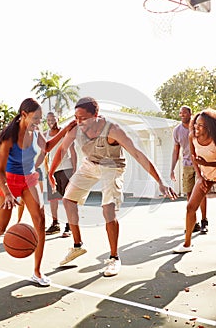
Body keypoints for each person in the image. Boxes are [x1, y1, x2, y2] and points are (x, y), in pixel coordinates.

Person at [49, 97, 177, 277]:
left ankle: (114, 258)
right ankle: (77, 246)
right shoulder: (76, 129)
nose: (79, 122)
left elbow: (138, 154)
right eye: (76, 117)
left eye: (83, 118)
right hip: (90, 164)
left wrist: (160, 181)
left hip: (113, 166)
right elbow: (61, 150)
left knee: (108, 208)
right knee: (68, 200)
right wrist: (50, 172)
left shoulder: (113, 130)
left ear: (96, 115)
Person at [0, 98, 76, 286]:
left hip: (30, 179)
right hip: (9, 181)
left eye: (40, 119)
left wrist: (66, 129)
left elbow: (47, 147)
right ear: (24, 115)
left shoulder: (36, 131)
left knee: (40, 223)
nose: (38, 122)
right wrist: (8, 193)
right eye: (35, 118)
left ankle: (37, 271)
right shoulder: (9, 137)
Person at [173, 108, 216, 253]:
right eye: (196, 124)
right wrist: (200, 175)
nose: (197, 127)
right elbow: (193, 158)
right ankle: (187, 244)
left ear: (209, 126)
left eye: (201, 125)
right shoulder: (192, 136)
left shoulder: (215, 138)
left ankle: (205, 221)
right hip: (205, 176)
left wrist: (207, 164)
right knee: (190, 207)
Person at [170, 106, 208, 234]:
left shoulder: (198, 127)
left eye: (184, 113)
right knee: (189, 194)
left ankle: (204, 221)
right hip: (187, 165)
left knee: (201, 193)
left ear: (190, 114)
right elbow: (176, 151)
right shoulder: (177, 131)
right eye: (180, 113)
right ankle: (193, 222)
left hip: (201, 164)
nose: (182, 115)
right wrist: (172, 168)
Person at [44, 112, 77, 237]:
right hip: (53, 171)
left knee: (67, 199)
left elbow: (72, 151)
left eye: (53, 119)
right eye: (48, 119)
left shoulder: (65, 132)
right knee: (53, 199)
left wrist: (74, 169)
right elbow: (46, 155)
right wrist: (48, 171)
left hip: (66, 168)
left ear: (58, 119)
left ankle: (69, 226)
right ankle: (55, 224)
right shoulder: (46, 135)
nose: (51, 121)